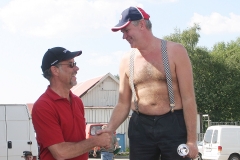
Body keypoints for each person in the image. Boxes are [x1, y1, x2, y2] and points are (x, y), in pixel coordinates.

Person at [98, 6, 199, 160]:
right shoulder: (126, 60)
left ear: (142, 25)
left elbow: (188, 98)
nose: (124, 36)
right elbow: (123, 104)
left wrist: (192, 141)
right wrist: (109, 129)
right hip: (140, 126)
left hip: (173, 124)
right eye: (122, 32)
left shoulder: (175, 51)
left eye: (126, 30)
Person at [32, 47, 112, 160]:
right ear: (55, 70)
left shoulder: (77, 101)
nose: (77, 68)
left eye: (75, 63)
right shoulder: (43, 106)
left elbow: (78, 142)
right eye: (71, 64)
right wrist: (96, 140)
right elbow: (61, 153)